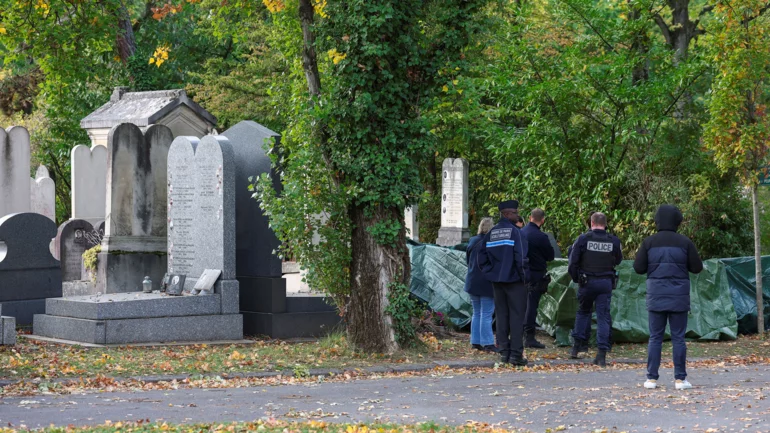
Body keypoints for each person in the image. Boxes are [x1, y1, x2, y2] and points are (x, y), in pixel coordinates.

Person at [633, 205, 703, 390]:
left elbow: (638, 268)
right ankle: (680, 380)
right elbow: (697, 268)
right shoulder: (685, 242)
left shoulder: (648, 242)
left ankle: (651, 379)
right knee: (678, 338)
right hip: (678, 297)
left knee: (655, 337)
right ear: (677, 222)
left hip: (656, 295)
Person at [477, 200, 528, 366]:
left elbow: (481, 257)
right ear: (506, 214)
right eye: (514, 212)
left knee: (501, 317)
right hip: (514, 281)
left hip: (497, 282)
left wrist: (490, 273)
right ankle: (516, 355)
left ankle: (504, 353)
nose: (517, 215)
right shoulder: (516, 232)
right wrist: (524, 278)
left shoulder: (491, 233)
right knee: (516, 318)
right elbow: (521, 258)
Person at [568, 212, 622, 367]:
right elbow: (618, 260)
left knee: (583, 312)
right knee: (603, 317)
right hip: (605, 282)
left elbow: (572, 263)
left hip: (587, 282)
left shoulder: (583, 239)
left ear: (591, 223)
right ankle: (602, 354)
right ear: (605, 224)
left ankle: (576, 348)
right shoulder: (613, 241)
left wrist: (576, 278)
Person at [520, 208, 555, 348]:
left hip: (521, 273)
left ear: (529, 217)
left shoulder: (520, 233)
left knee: (521, 305)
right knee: (531, 306)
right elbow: (550, 256)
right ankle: (529, 337)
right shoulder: (541, 237)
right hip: (535, 274)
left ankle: (518, 333)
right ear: (543, 220)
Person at [464, 217, 497, 353]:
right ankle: (488, 342)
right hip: (486, 282)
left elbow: (467, 260)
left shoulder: (472, 240)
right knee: (487, 313)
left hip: (472, 280)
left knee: (476, 312)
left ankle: (475, 341)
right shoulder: (490, 243)